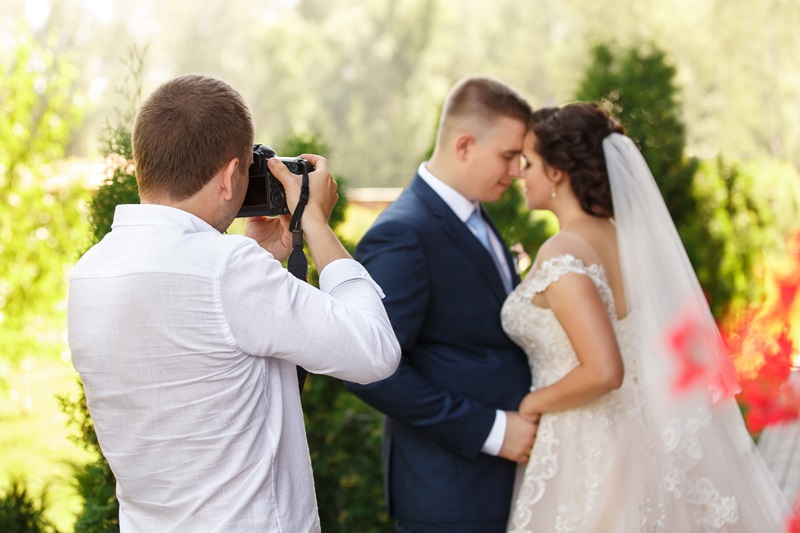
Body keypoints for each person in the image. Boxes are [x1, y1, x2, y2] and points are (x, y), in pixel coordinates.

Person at [67, 74, 401, 532]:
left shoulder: (90, 271)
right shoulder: (227, 270)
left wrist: (260, 257)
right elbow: (376, 352)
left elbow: (204, 361)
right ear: (228, 177)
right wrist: (316, 224)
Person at [502, 102, 789, 532]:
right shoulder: (629, 242)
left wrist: (531, 403)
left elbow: (604, 370)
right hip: (643, 432)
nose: (519, 174)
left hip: (583, 441)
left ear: (557, 172)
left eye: (528, 163)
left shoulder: (561, 253)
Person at [345, 75, 538, 532]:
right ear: (464, 145)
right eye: (508, 156)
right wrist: (492, 430)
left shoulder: (476, 213)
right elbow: (369, 368)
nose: (516, 171)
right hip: (450, 494)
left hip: (500, 484)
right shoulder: (403, 233)